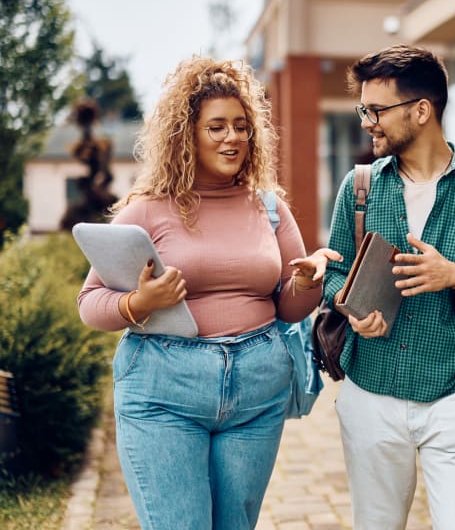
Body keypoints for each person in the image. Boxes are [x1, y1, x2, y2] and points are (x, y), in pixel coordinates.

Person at [77, 55, 340, 530]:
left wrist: (305, 284)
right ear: (187, 134)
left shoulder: (269, 207)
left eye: (241, 126)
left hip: (258, 387)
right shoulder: (148, 210)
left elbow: (288, 306)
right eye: (216, 127)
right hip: (164, 387)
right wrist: (140, 303)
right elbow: (90, 303)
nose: (233, 137)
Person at [324, 44, 455, 529]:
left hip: (453, 393)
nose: (367, 120)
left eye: (377, 110)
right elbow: (334, 274)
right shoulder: (360, 186)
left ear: (421, 110)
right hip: (371, 391)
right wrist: (350, 310)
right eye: (363, 109)